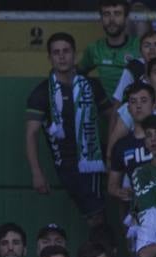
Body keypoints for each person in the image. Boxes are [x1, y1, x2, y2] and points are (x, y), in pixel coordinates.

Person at [24, 33, 110, 227]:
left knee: (100, 217)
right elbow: (31, 135)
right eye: (56, 52)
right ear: (49, 58)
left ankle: (100, 255)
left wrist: (112, 154)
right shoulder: (41, 93)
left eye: (66, 51)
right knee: (96, 218)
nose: (62, 57)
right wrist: (36, 173)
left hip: (95, 158)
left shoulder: (91, 86)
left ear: (75, 55)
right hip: (68, 165)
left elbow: (113, 117)